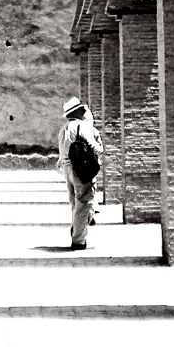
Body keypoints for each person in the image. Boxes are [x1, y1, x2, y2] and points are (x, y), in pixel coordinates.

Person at [57, 95, 103, 250]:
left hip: (67, 169)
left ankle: (77, 230)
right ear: (77, 112)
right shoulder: (81, 126)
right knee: (84, 203)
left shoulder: (63, 129)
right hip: (80, 170)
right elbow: (95, 146)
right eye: (82, 109)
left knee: (75, 203)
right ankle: (78, 240)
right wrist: (99, 148)